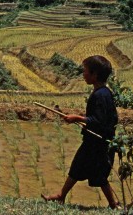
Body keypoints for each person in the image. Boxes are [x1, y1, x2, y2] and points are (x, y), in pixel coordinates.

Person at [42, 55, 120, 210]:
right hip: (94, 140)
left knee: (98, 174)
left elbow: (99, 120)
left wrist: (77, 118)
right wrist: (86, 123)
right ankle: (61, 195)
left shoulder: (100, 95)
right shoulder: (103, 93)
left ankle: (113, 204)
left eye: (85, 71)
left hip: (98, 143)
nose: (83, 74)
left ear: (94, 74)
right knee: (78, 167)